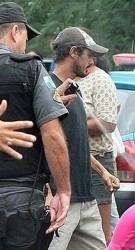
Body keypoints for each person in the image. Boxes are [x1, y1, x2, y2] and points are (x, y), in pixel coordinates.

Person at [0, 2, 72, 249]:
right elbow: (52, 135)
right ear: (16, 31)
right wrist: (63, 190)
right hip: (19, 199)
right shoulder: (30, 69)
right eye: (26, 37)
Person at [47, 26, 110, 250]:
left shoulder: (75, 90)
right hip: (61, 200)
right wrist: (48, 189)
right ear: (74, 52)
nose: (91, 61)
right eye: (88, 54)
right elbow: (45, 143)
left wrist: (103, 172)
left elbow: (76, 144)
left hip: (87, 198)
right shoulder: (46, 89)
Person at [77, 52, 119, 244]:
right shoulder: (67, 80)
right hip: (74, 160)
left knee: (102, 232)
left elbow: (108, 123)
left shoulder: (100, 79)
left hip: (97, 158)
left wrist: (71, 125)